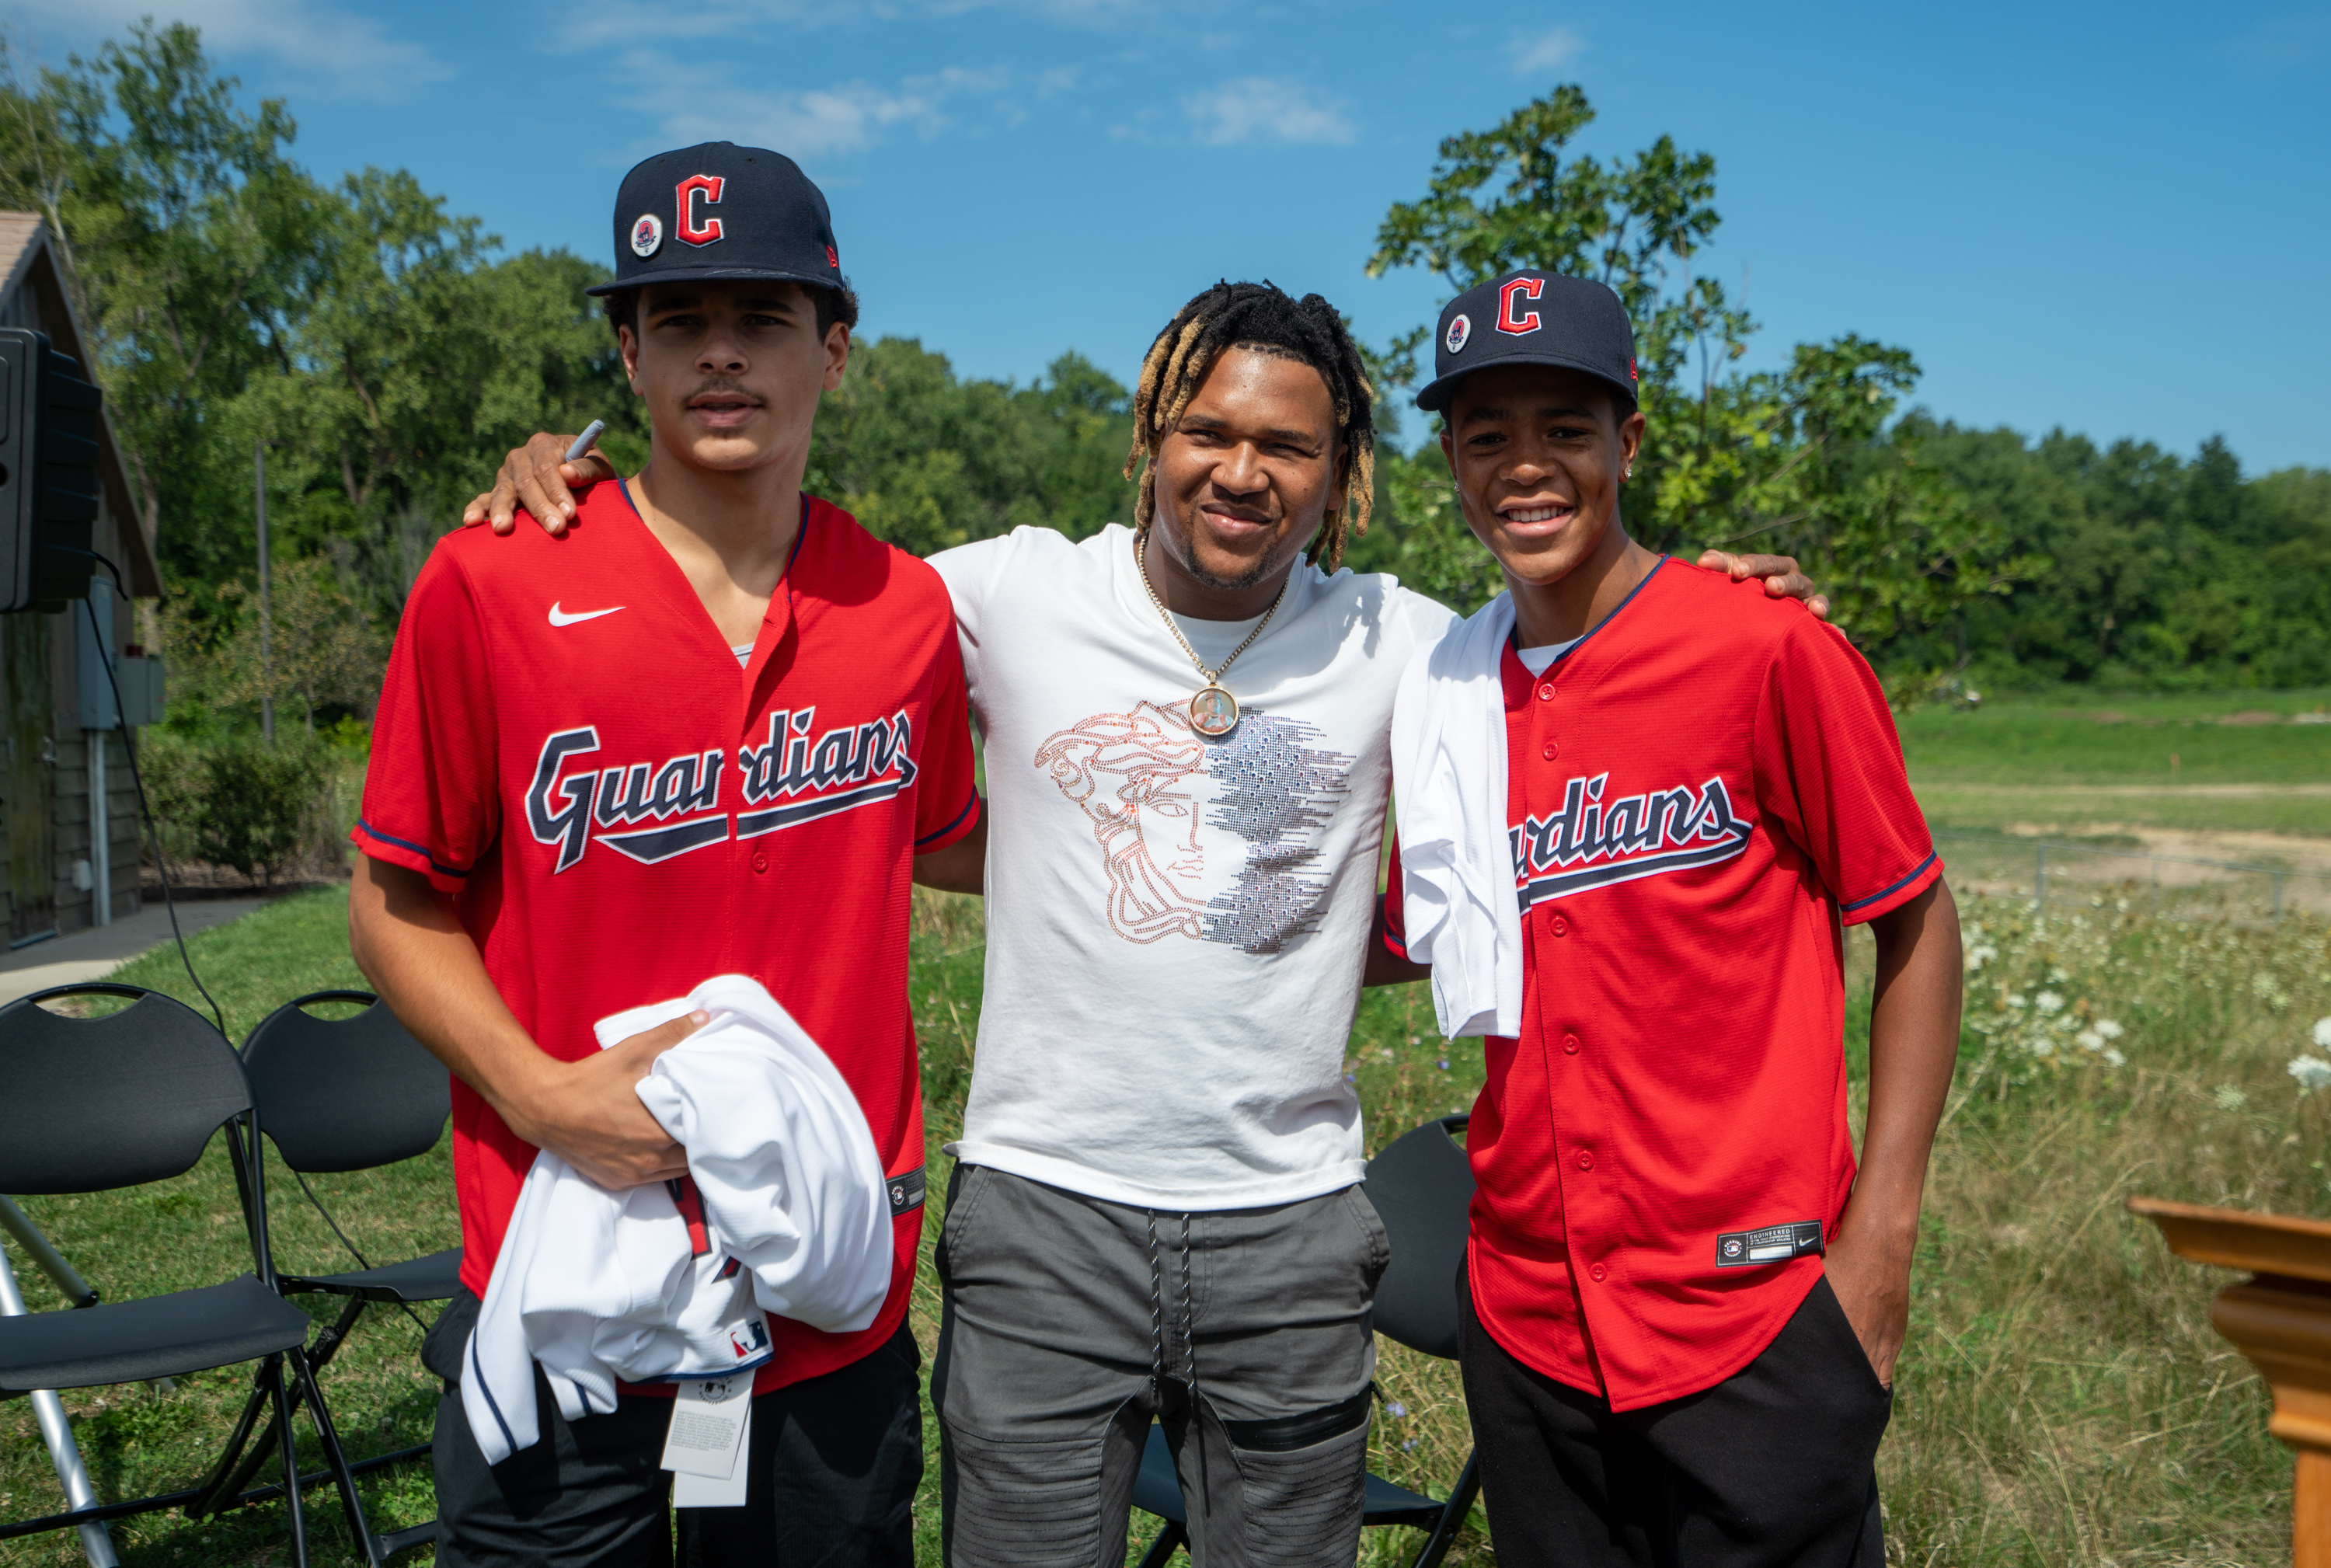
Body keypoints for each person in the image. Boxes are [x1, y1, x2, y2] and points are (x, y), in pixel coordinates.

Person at [469, 282, 1826, 1568]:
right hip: (1043, 1219)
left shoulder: (1414, 643)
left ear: (1344, 468)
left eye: (1290, 445)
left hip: (1290, 1227)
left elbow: (1592, 661)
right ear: (1152, 437)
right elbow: (775, 583)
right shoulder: (1003, 593)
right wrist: (602, 494)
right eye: (1209, 432)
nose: (1244, 472)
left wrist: (1713, 597)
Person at [348, 142, 982, 1567]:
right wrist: (544, 1091)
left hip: (826, 1287)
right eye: (678, 320)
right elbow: (392, 905)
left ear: (836, 346)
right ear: (626, 354)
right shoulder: (495, 577)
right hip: (570, 1271)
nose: (721, 357)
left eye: (761, 319)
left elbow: (967, 842)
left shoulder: (906, 609)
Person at [1382, 270, 1963, 1567]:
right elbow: (1388, 931)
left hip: (1752, 1310)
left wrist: (1882, 1241)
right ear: (1454, 461)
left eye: (1566, 429)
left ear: (1628, 442)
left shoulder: (1766, 650)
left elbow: (1917, 923)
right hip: (1529, 1317)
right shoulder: (1441, 694)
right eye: (1488, 434)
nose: (1526, 467)